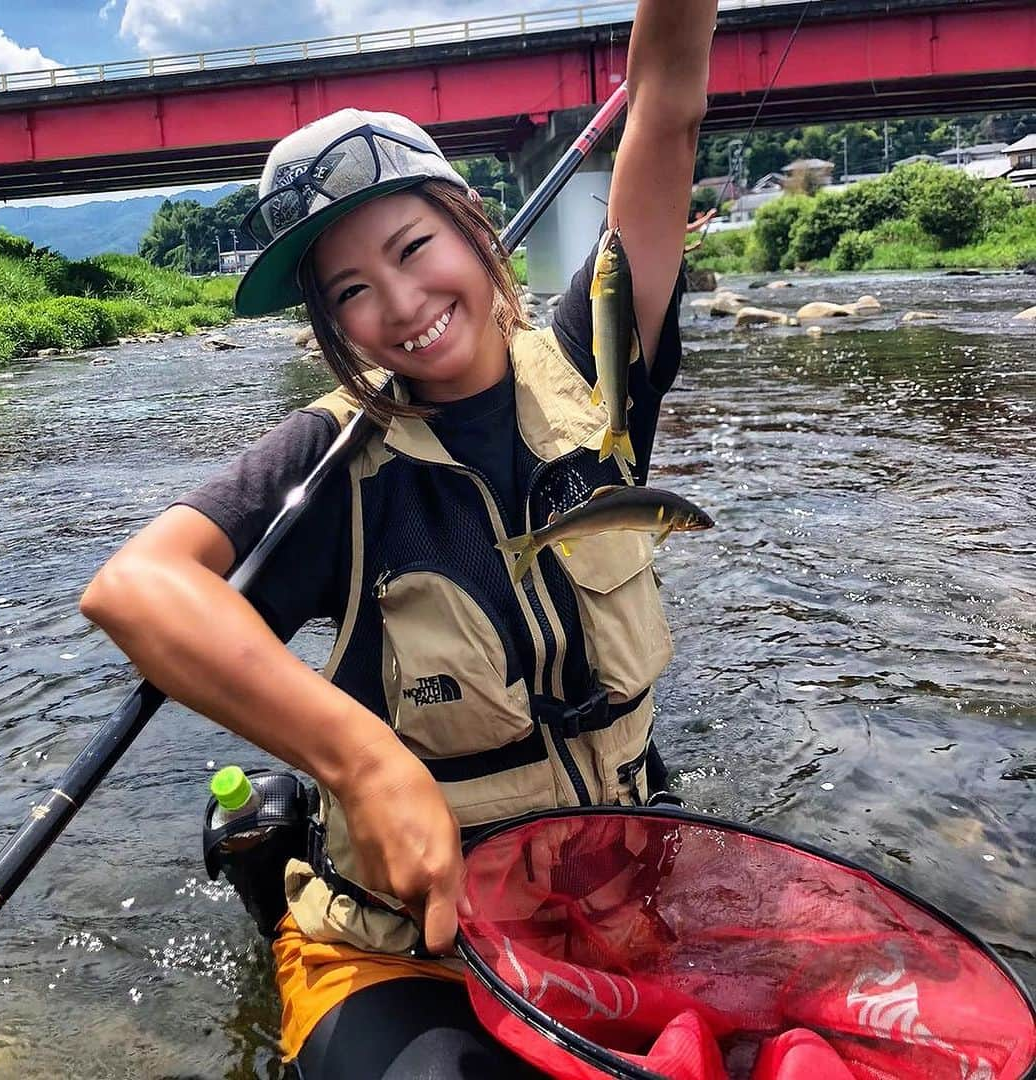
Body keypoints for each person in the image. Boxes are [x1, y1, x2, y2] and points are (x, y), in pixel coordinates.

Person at [79, 2, 718, 1076]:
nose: (404, 304)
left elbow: (668, 105)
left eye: (415, 247)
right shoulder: (325, 464)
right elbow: (133, 589)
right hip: (409, 947)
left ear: (476, 223)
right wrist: (364, 763)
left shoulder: (600, 359)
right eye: (352, 293)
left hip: (613, 889)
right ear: (331, 327)